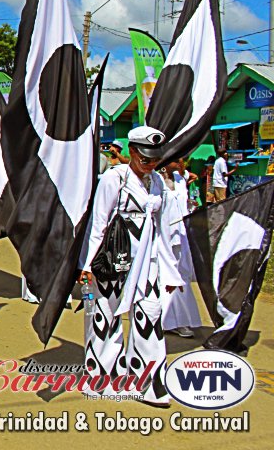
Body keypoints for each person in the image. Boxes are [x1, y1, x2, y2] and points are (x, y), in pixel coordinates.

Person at [79, 126, 183, 407]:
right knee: (106, 317)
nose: (150, 165)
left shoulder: (158, 183)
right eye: (145, 159)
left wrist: (170, 271)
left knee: (150, 316)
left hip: (147, 262)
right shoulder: (115, 179)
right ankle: (101, 379)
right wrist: (88, 264)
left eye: (154, 160)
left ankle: (147, 383)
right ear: (133, 152)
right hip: (114, 260)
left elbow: (162, 229)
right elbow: (98, 225)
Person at [161, 160, 202, 338]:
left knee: (181, 275)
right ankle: (168, 321)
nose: (181, 161)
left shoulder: (180, 178)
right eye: (177, 158)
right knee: (165, 276)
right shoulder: (154, 179)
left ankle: (181, 320)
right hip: (162, 237)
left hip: (182, 235)